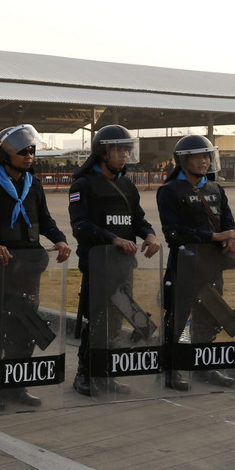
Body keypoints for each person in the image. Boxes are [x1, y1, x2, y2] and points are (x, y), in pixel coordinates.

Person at [0, 124, 71, 411]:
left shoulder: (33, 183)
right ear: (6, 154)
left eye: (31, 151)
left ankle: (17, 385)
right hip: (0, 266)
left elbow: (44, 219)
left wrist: (59, 239)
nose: (29, 156)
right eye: (22, 151)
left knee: (27, 326)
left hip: (30, 266)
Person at [67, 125, 160, 397]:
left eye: (126, 149)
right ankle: (84, 373)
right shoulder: (83, 184)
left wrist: (150, 235)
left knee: (116, 322)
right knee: (97, 321)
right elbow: (80, 225)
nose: (123, 155)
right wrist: (112, 239)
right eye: (117, 149)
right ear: (102, 152)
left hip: (124, 265)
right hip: (97, 265)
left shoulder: (127, 185)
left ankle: (106, 373)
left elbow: (138, 219)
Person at [157, 135, 235, 391]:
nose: (204, 161)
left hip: (213, 266)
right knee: (179, 321)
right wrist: (215, 236)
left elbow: (230, 223)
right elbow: (173, 233)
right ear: (183, 161)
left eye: (207, 156)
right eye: (198, 156)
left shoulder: (216, 189)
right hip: (184, 267)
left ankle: (205, 367)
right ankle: (173, 369)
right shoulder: (169, 191)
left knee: (208, 320)